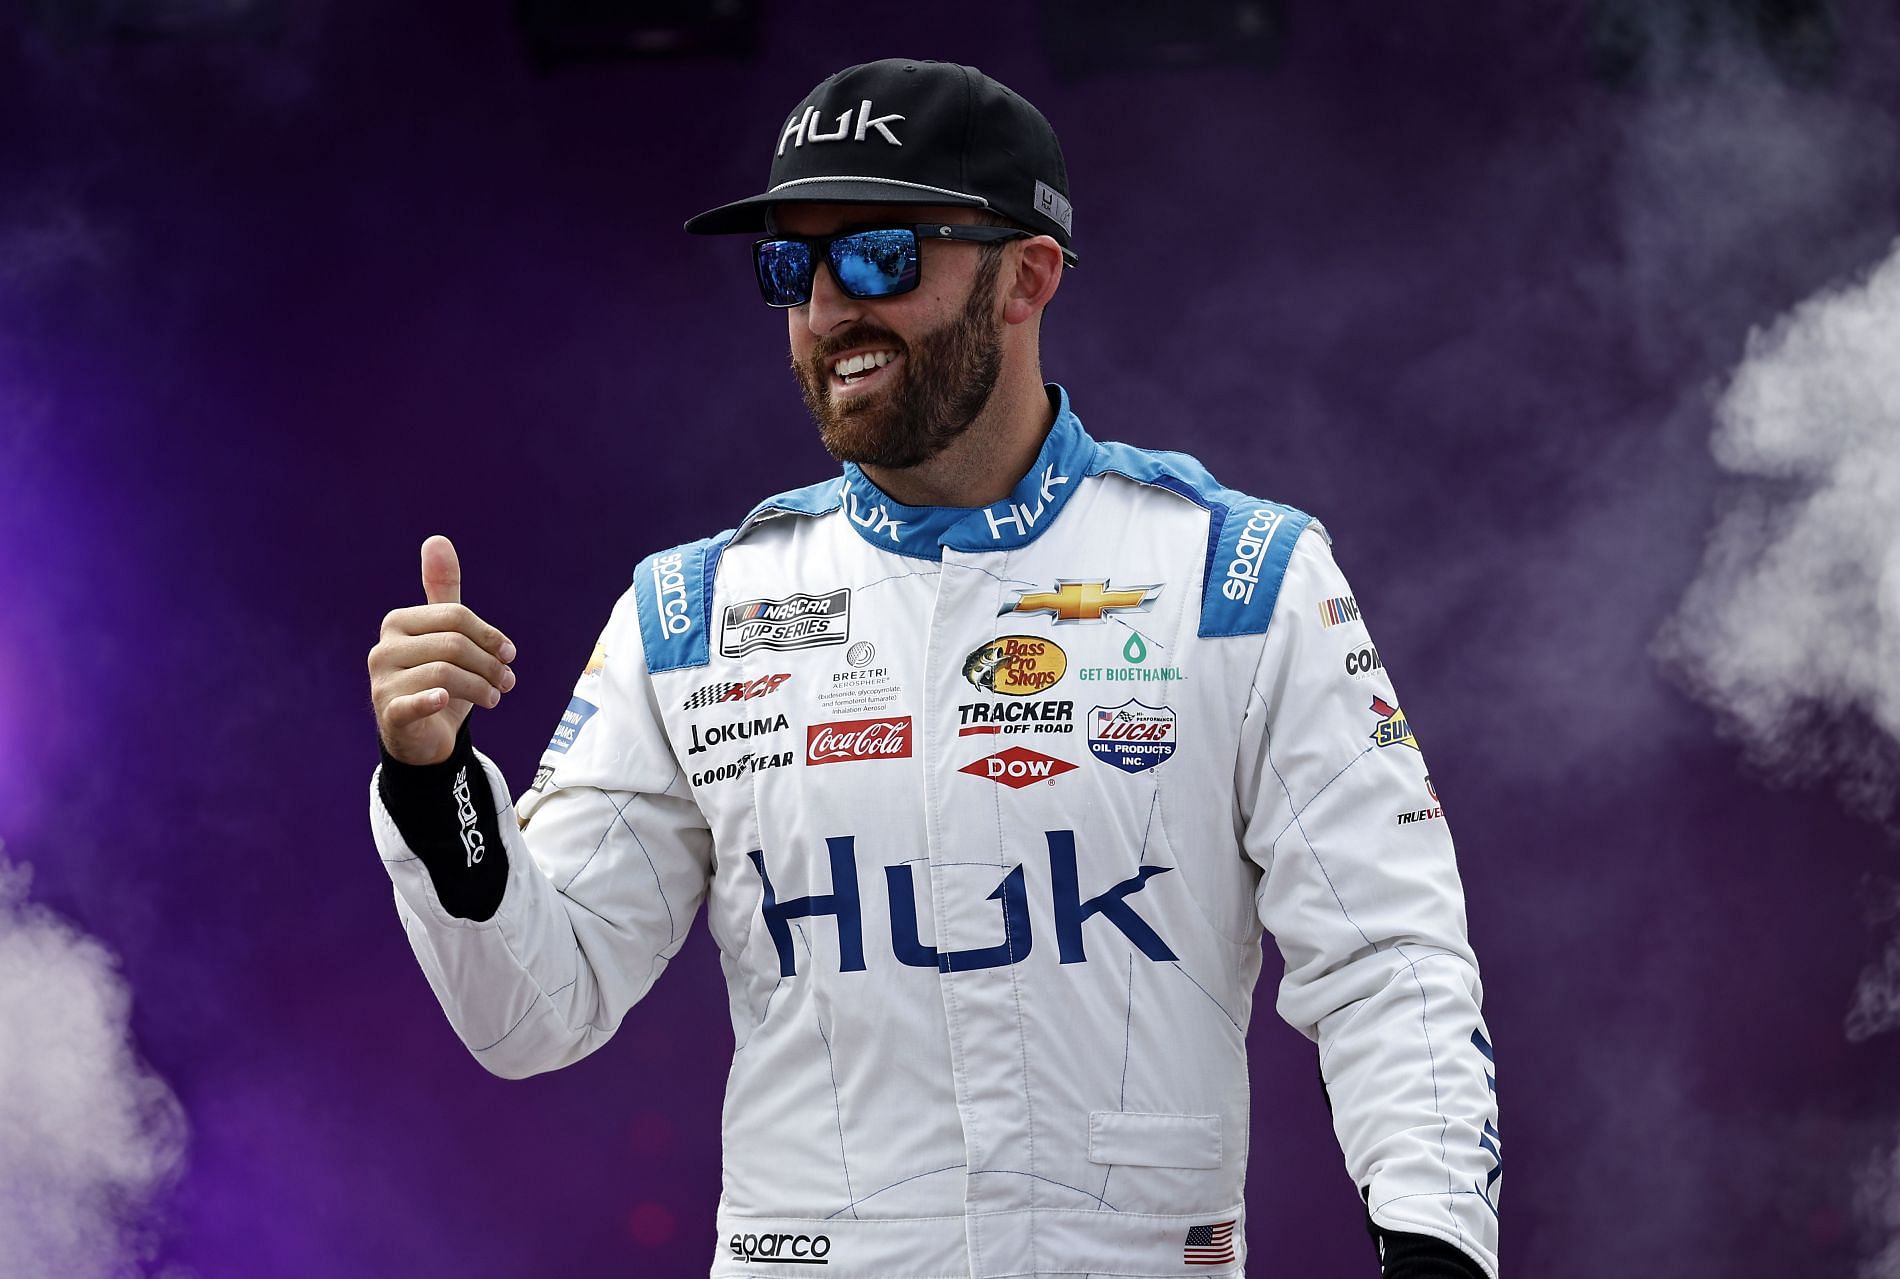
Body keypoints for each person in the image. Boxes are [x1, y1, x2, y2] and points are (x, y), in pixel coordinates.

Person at [366, 58, 1499, 1279]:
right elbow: (538, 1007)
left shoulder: (1240, 578)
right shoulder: (694, 612)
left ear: (1029, 273)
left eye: (879, 255)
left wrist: (1437, 1248)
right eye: (790, 267)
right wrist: (436, 789)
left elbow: (1390, 959)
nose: (826, 308)